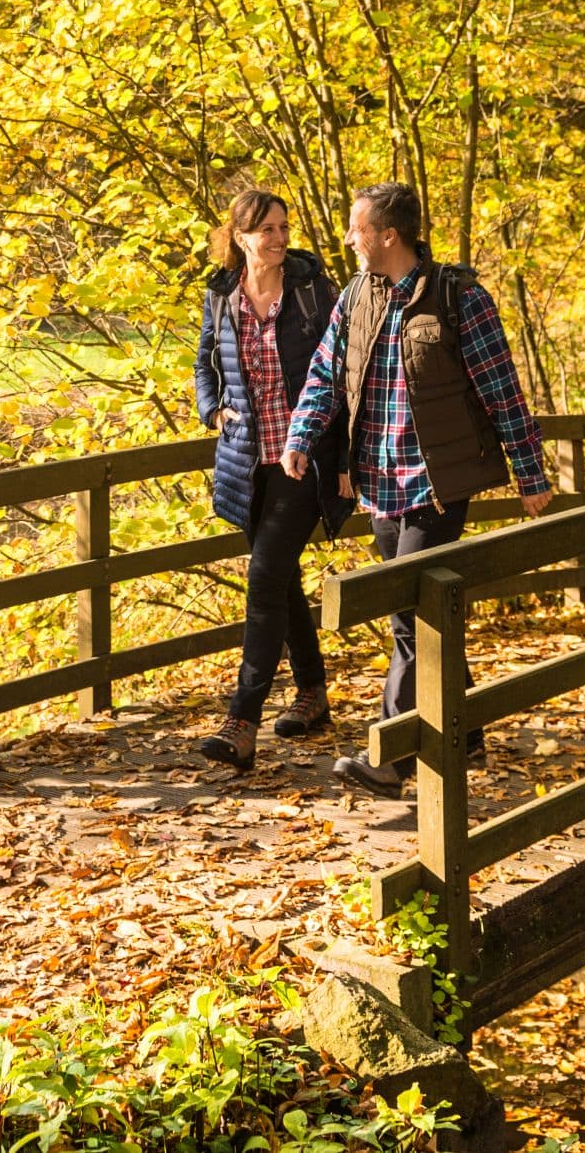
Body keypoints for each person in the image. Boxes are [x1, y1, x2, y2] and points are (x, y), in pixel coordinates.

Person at [283, 180, 552, 798]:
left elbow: (501, 390)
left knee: (408, 612)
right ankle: (469, 728)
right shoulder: (356, 296)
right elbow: (326, 373)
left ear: (388, 235)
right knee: (424, 614)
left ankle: (393, 757)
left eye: (357, 228)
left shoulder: (460, 299)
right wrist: (301, 437)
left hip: (436, 483)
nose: (349, 238)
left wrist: (529, 472)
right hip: (378, 485)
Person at [191, 189, 348, 769]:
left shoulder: (312, 290)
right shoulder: (220, 295)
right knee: (279, 580)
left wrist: (348, 460)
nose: (280, 238)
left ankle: (242, 720)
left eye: (284, 227)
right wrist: (213, 411)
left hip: (303, 459)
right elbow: (204, 361)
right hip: (244, 460)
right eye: (267, 230)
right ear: (240, 236)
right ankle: (312, 694)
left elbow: (346, 373)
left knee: (263, 578)